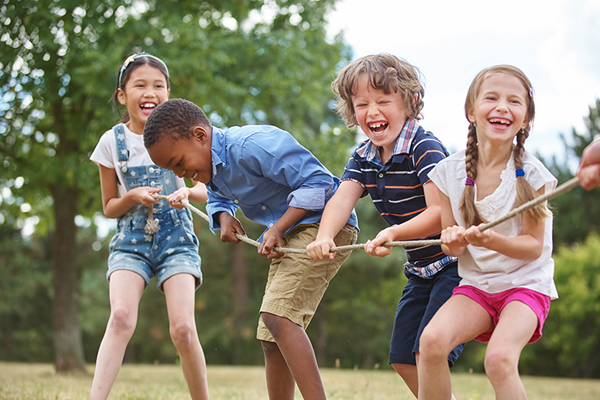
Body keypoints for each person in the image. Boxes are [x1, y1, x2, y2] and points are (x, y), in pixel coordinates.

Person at [143, 98, 359, 400]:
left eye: (179, 163)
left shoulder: (250, 146)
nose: (181, 175)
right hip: (292, 233)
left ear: (200, 136)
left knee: (279, 318)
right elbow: (219, 196)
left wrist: (278, 227)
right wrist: (224, 217)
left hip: (324, 227)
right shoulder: (213, 169)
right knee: (271, 338)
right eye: (171, 170)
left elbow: (319, 183)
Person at [305, 54, 464, 398]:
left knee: (427, 350)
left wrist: (392, 232)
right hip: (421, 270)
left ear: (409, 102)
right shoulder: (364, 156)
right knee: (403, 359)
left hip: (456, 265)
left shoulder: (424, 147)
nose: (372, 111)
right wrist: (324, 236)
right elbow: (341, 199)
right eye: (361, 104)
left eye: (383, 101)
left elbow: (438, 212)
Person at [418, 65, 558, 400]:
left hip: (525, 286)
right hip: (478, 286)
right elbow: (453, 247)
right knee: (431, 343)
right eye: (491, 98)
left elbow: (533, 247)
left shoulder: (535, 175)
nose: (502, 107)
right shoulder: (447, 173)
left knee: (498, 360)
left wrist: (491, 240)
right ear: (471, 111)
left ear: (525, 119)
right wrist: (451, 241)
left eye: (514, 101)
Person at [89, 53, 209, 400]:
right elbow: (110, 207)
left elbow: (205, 188)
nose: (150, 92)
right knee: (122, 317)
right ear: (123, 94)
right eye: (139, 85)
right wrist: (134, 197)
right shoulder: (111, 142)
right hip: (131, 240)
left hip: (177, 239)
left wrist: (187, 191)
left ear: (168, 93)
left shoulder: (187, 135)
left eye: (158, 85)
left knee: (184, 329)